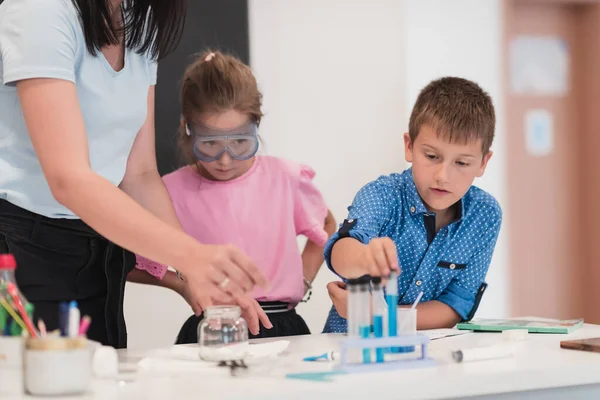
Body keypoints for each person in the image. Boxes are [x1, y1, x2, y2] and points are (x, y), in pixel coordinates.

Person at [0, 0, 267, 348]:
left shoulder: (140, 21)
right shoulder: (41, 10)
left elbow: (139, 173)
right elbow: (68, 178)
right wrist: (191, 255)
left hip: (102, 253)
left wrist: (199, 274)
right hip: (23, 247)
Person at [134, 50, 337, 342]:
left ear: (257, 126)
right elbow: (127, 262)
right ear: (187, 129)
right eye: (210, 143)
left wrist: (302, 280)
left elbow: (327, 226)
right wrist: (182, 283)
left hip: (281, 328)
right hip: (211, 328)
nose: (225, 159)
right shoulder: (168, 192)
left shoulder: (285, 178)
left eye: (240, 143)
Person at [322, 77, 502, 333]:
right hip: (350, 350)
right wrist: (364, 257)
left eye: (461, 163)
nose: (443, 176)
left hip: (428, 356)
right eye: (431, 156)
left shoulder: (485, 215)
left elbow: (454, 307)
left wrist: (380, 317)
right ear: (409, 146)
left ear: (483, 163)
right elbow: (340, 251)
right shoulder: (383, 195)